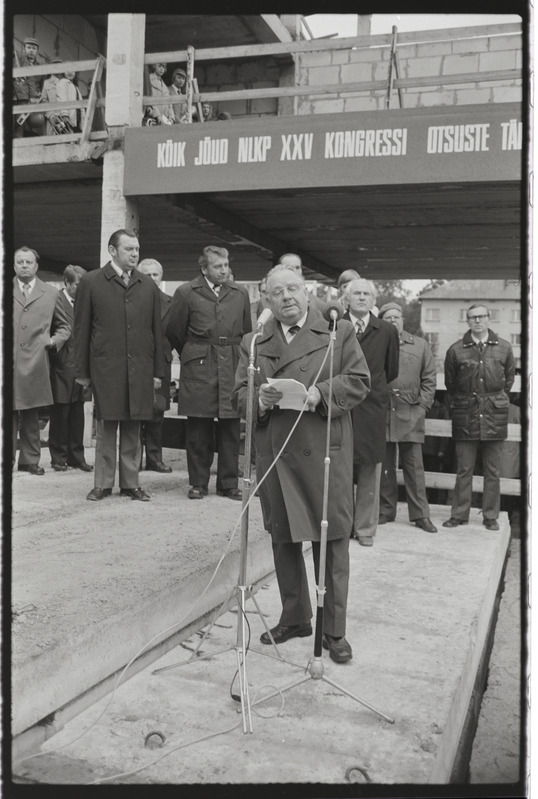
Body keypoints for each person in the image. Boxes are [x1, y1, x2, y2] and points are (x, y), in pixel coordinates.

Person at [232, 266, 370, 663]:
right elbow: (237, 395)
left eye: (293, 288)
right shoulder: (254, 342)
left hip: (324, 449)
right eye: (277, 292)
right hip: (276, 452)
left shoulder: (337, 332)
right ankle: (295, 617)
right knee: (284, 538)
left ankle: (334, 631)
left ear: (306, 293)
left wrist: (319, 394)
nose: (287, 297)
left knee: (331, 541)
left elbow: (359, 381)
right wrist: (257, 401)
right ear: (267, 300)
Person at [74, 230, 165, 501]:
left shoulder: (147, 285)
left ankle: (130, 483)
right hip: (106, 368)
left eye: (137, 249)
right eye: (129, 249)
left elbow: (155, 333)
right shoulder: (91, 281)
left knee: (133, 426)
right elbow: (82, 329)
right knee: (106, 427)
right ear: (112, 251)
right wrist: (82, 373)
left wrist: (158, 372)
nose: (135, 254)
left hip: (140, 368)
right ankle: (102, 483)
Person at [166, 245, 252, 500]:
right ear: (204, 268)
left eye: (226, 265)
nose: (224, 270)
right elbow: (174, 331)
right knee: (198, 427)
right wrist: (194, 353)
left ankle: (228, 484)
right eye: (218, 266)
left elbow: (246, 331)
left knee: (230, 426)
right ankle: (198, 483)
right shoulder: (186, 292)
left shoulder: (240, 293)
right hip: (200, 363)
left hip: (232, 363)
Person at [443, 304, 515, 530]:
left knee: (493, 470)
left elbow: (509, 381)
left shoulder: (504, 348)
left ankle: (490, 516)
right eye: (473, 317)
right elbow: (451, 384)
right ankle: (459, 514)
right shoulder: (456, 350)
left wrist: (491, 400)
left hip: (494, 415)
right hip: (466, 414)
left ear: (489, 319)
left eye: (482, 316)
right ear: (468, 321)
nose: (478, 321)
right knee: (464, 468)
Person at [343, 279, 400, 546]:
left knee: (369, 470)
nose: (362, 298)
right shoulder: (333, 325)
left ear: (373, 298)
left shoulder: (387, 330)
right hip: (340, 405)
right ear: (347, 298)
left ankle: (365, 529)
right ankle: (341, 527)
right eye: (357, 293)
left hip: (372, 407)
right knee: (339, 468)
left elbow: (392, 370)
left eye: (366, 293)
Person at [377, 302, 437, 532]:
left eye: (397, 317)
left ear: (403, 320)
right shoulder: (376, 343)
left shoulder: (420, 345)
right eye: (388, 317)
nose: (393, 321)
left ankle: (421, 515)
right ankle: (386, 510)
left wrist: (422, 407)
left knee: (414, 467)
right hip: (383, 411)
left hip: (410, 410)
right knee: (384, 466)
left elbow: (430, 379)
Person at [13, 246, 71, 474]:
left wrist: (53, 341)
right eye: (20, 262)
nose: (24, 265)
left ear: (37, 266)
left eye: (28, 262)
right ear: (14, 265)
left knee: (31, 414)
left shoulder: (50, 293)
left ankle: (30, 461)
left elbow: (65, 327)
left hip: (35, 362)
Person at [48, 265, 93, 472]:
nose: (81, 288)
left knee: (77, 413)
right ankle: (58, 457)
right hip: (61, 364)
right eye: (77, 284)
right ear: (66, 283)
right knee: (61, 412)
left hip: (81, 366)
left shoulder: (86, 302)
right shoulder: (55, 301)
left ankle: (77, 456)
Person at [136, 258, 173, 473]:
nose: (151, 279)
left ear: (161, 277)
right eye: (146, 275)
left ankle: (154, 458)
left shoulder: (171, 302)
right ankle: (133, 460)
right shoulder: (130, 299)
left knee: (157, 411)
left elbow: (177, 331)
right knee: (135, 412)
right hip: (137, 363)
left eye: (155, 275)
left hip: (162, 364)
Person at [13, 37, 46, 138]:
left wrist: (36, 97)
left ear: (37, 51)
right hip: (19, 97)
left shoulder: (41, 67)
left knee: (36, 124)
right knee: (18, 126)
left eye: (34, 48)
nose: (31, 50)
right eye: (29, 47)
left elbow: (41, 85)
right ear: (24, 49)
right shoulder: (17, 60)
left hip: (33, 101)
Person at [41, 57, 64, 135]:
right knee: (52, 143)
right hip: (52, 119)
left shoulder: (67, 82)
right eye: (55, 65)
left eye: (59, 66)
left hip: (65, 117)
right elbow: (43, 101)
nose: (57, 68)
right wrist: (51, 115)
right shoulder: (46, 83)